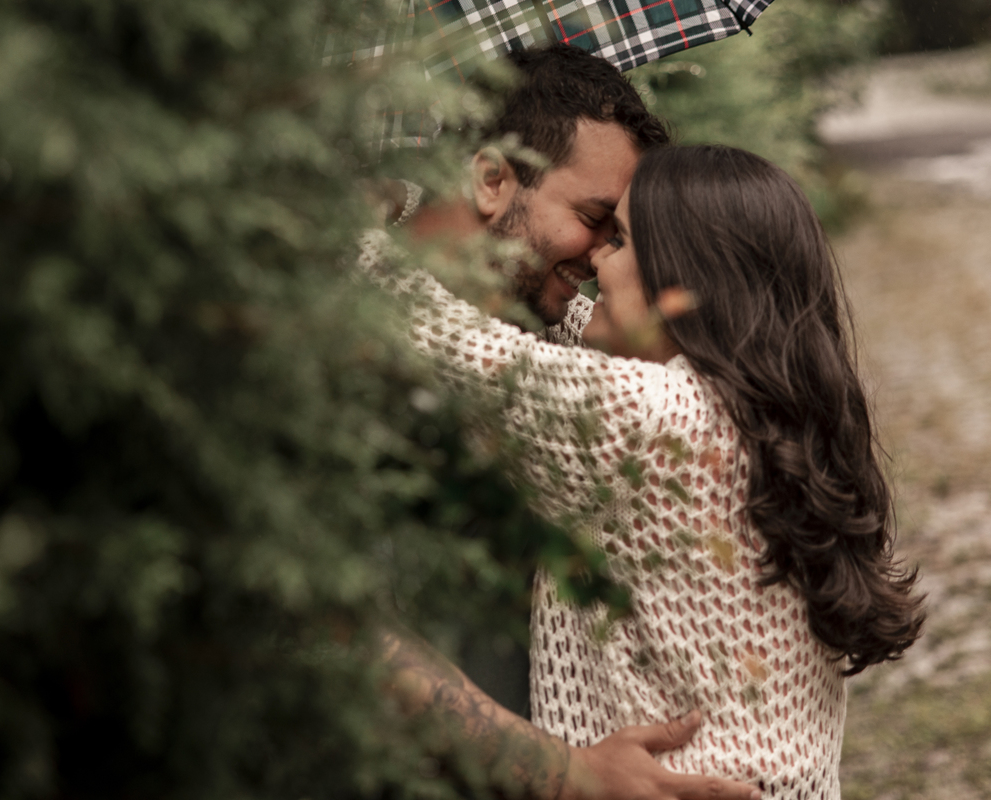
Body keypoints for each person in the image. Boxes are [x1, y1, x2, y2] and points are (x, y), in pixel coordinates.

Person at [361, 144, 926, 798]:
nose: (595, 257)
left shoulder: (657, 421)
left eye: (620, 239)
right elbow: (567, 321)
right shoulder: (760, 408)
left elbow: (443, 336)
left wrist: (372, 212)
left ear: (688, 281)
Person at [370, 46, 765, 800]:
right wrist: (561, 773)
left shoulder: (538, 331)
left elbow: (625, 339)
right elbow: (327, 626)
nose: (603, 256)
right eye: (595, 221)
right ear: (492, 179)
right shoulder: (346, 343)